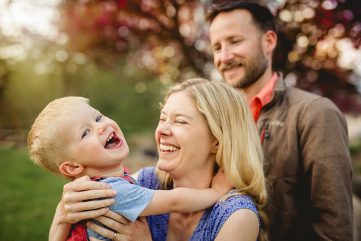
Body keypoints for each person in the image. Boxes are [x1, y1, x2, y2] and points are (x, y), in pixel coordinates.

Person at [48, 78, 268, 241]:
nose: (162, 129)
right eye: (163, 118)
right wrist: (62, 217)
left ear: (217, 141)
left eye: (180, 121)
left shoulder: (236, 216)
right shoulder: (146, 182)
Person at [207, 1, 353, 240]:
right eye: (216, 47)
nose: (224, 56)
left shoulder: (315, 114)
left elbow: (334, 230)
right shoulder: (214, 120)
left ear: (269, 42)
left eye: (235, 41)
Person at [27, 96, 232, 241]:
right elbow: (175, 200)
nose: (101, 126)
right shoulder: (113, 192)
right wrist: (215, 192)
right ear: (73, 166)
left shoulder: (97, 188)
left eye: (98, 117)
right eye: (85, 133)